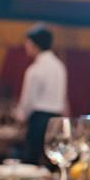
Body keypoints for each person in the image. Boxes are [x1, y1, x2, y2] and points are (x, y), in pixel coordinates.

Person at [15, 24, 68, 164]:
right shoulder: (60, 66)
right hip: (56, 120)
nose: (26, 46)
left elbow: (28, 101)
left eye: (27, 42)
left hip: (38, 120)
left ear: (34, 44)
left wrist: (20, 117)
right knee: (53, 163)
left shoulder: (35, 69)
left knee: (31, 163)